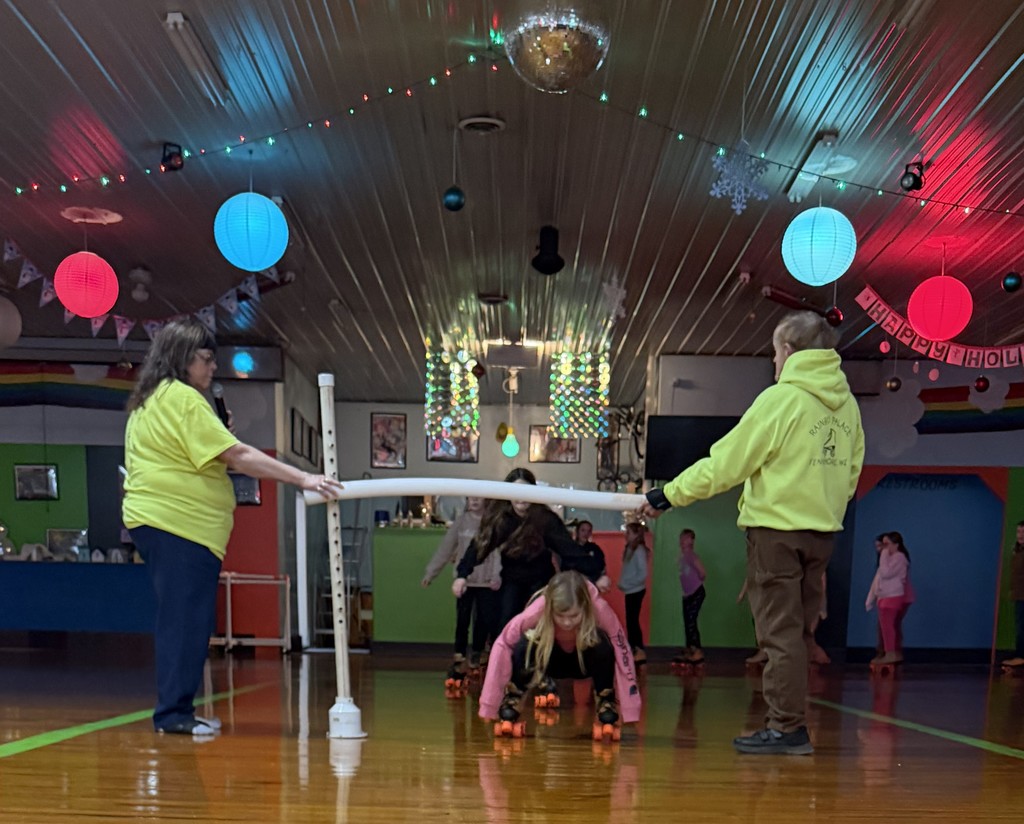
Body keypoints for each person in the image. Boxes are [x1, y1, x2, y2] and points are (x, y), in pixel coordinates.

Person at [640, 310, 864, 755]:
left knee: (778, 635)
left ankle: (786, 728)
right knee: (798, 634)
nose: (773, 362)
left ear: (789, 350)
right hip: (822, 534)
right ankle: (789, 723)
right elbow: (852, 471)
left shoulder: (782, 400)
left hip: (776, 532)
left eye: (774, 352)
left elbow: (727, 464)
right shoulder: (847, 406)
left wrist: (670, 494)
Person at [122, 320, 343, 737]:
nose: (211, 369)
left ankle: (179, 710)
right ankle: (173, 715)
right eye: (205, 359)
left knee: (186, 619)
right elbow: (237, 455)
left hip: (169, 524)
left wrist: (220, 436)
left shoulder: (153, 401)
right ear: (181, 358)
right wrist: (303, 478)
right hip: (177, 524)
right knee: (185, 621)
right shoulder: (182, 399)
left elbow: (213, 452)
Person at [478, 571, 640, 734]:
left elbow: (622, 649)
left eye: (574, 616)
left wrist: (630, 707)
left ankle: (606, 700)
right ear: (550, 608)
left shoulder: (599, 608)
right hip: (549, 663)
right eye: (560, 616)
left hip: (584, 664)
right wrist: (489, 703)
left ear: (585, 607)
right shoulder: (539, 607)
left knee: (603, 643)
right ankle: (514, 697)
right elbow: (502, 644)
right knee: (524, 643)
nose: (567, 622)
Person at [453, 468, 586, 629]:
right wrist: (462, 575)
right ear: (508, 494)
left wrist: (596, 574)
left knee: (539, 626)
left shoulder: (545, 519)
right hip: (512, 582)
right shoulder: (500, 519)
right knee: (506, 623)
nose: (521, 498)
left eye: (526, 491)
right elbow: (479, 546)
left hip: (541, 583)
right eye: (516, 492)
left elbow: (569, 549)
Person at [421, 497, 500, 680]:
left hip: (486, 581)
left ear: (485, 500)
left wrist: (496, 575)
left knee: (483, 620)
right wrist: (430, 573)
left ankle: (478, 654)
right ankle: (459, 656)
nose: (474, 501)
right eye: (471, 497)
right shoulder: (461, 522)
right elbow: (445, 549)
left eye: (478, 497)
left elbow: (497, 552)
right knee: (462, 619)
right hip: (464, 582)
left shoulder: (492, 523)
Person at [865, 531, 913, 665]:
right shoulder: (891, 559)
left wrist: (884, 555)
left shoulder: (898, 558)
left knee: (887, 626)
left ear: (896, 545)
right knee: (887, 625)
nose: (882, 549)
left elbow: (885, 574)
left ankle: (890, 652)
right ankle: (890, 652)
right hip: (886, 596)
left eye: (886, 545)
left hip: (893, 596)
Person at [617, 522, 651, 664]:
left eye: (629, 533)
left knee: (633, 621)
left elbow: (643, 573)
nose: (626, 535)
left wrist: (627, 584)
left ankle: (638, 649)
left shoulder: (639, 550)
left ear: (637, 534)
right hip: (631, 590)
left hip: (636, 590)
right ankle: (634, 648)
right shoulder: (630, 549)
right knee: (631, 621)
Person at [674, 528, 707, 665]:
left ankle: (697, 650)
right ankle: (690, 649)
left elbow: (703, 573)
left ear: (692, 541)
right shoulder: (682, 557)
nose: (683, 541)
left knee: (691, 622)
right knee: (687, 622)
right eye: (682, 538)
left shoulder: (692, 556)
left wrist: (695, 584)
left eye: (686, 538)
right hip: (687, 594)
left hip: (696, 593)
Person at [560, 520, 611, 591]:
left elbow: (601, 567)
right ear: (577, 531)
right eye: (583, 530)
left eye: (589, 531)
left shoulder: (595, 549)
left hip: (592, 586)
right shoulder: (570, 548)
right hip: (573, 586)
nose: (585, 534)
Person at [1004, 521, 1024, 668]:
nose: (1020, 535)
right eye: (1018, 532)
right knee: (1020, 624)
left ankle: (1021, 655)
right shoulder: (1017, 550)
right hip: (1019, 594)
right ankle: (1019, 653)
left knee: (1021, 625)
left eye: (1023, 532)